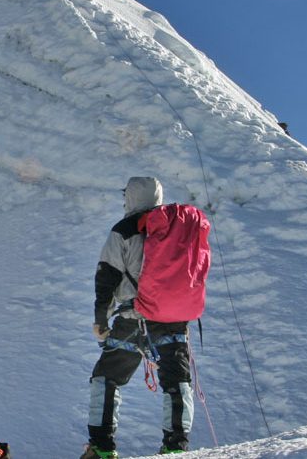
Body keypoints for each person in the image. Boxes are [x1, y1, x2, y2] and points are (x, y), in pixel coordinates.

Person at [83, 177, 196, 457]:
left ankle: (101, 448)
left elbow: (107, 278)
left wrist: (101, 320)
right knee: (176, 380)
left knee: (106, 378)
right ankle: (176, 448)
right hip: (173, 317)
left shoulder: (123, 230)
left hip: (134, 318)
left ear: (131, 197)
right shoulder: (178, 227)